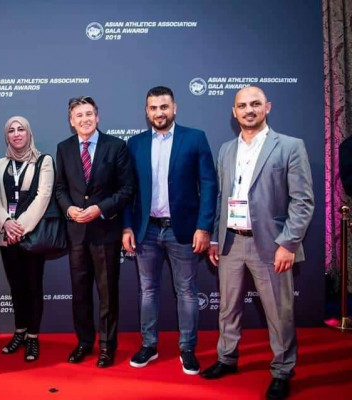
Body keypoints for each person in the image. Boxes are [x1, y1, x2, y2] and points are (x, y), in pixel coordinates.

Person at [200, 86, 314, 400]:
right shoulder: (226, 150)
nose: (248, 110)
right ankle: (226, 358)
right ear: (234, 112)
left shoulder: (289, 146)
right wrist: (215, 237)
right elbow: (222, 197)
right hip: (231, 242)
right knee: (228, 308)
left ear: (267, 107)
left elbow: (303, 202)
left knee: (279, 312)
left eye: (255, 104)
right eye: (242, 105)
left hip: (272, 244)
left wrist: (288, 243)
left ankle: (282, 371)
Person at [122, 86, 217, 375]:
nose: (159, 112)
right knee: (147, 290)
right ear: (146, 111)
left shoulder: (195, 138)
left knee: (187, 291)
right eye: (153, 108)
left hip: (183, 230)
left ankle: (187, 349)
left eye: (164, 107)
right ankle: (149, 345)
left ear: (174, 108)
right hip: (147, 230)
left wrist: (204, 227)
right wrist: (127, 226)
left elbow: (209, 185)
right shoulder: (135, 144)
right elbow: (128, 191)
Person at [55, 96, 134, 368]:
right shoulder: (64, 148)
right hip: (77, 233)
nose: (85, 119)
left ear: (97, 117)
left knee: (107, 293)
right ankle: (84, 342)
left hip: (105, 232)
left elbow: (127, 189)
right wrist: (69, 209)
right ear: (71, 121)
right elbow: (60, 189)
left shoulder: (116, 146)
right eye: (79, 115)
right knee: (80, 292)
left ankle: (107, 346)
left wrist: (100, 208)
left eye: (89, 114)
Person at [0, 116, 54, 362]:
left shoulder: (44, 161)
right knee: (16, 286)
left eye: (21, 129)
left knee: (33, 286)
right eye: (11, 130)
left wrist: (20, 228)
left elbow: (43, 197)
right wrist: (5, 223)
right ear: (6, 136)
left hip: (31, 236)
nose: (17, 134)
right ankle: (19, 332)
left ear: (29, 133)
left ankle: (32, 337)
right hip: (6, 236)